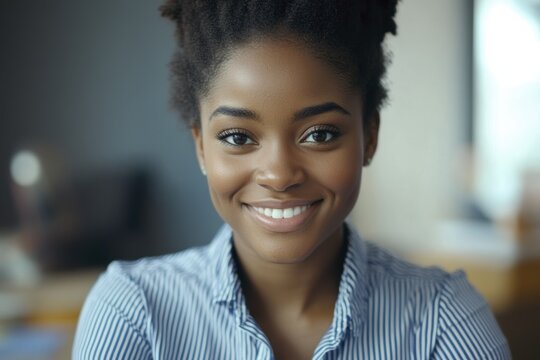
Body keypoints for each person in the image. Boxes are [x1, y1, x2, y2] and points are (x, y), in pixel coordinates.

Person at [73, 1, 511, 359]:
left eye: (320, 134)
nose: (280, 175)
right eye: (238, 137)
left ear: (369, 136)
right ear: (201, 147)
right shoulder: (134, 313)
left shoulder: (442, 321)